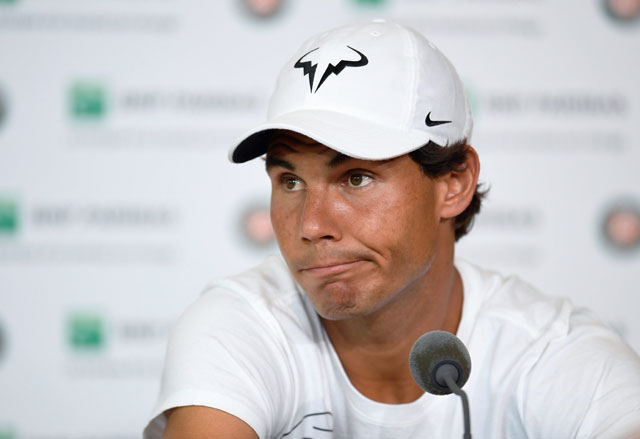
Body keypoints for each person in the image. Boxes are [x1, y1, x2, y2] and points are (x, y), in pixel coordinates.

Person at [144, 20, 640, 438]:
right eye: (290, 180)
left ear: (453, 183)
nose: (311, 226)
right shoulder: (241, 325)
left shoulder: (553, 354)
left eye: (356, 177)